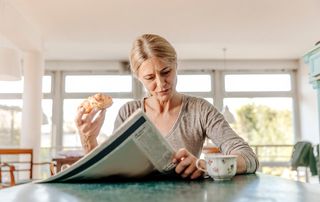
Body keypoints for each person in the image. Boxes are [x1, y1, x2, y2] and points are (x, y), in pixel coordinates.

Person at [75, 34, 259, 180]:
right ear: (138, 78)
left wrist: (204, 166)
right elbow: (109, 171)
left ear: (176, 65)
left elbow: (249, 158)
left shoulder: (200, 110)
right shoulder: (129, 113)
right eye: (150, 78)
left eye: (166, 72)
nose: (161, 83)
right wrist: (89, 141)